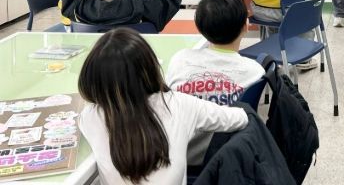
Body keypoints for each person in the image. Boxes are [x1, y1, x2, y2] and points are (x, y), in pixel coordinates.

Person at [78, 28, 248, 184]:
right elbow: (240, 118)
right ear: (151, 67)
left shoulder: (90, 117)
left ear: (92, 78)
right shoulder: (180, 104)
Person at [167, 0, 265, 106]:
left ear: (200, 28)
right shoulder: (255, 72)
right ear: (245, 26)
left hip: (182, 118)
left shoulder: (180, 60)